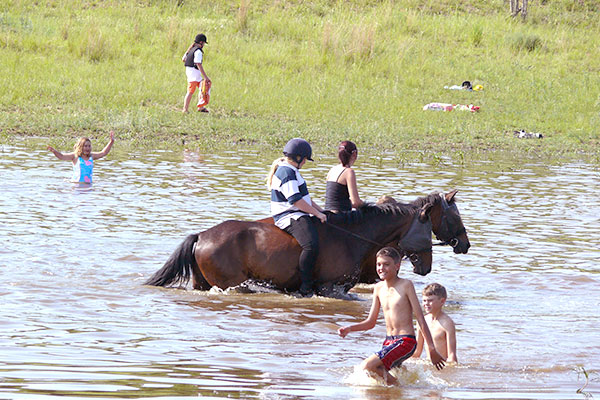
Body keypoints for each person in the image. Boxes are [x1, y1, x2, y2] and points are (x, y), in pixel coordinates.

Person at [338, 247, 445, 385]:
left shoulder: (406, 285)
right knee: (381, 373)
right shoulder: (378, 288)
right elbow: (370, 322)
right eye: (379, 264)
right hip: (389, 341)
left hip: (406, 341)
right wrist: (349, 329)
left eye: (386, 264)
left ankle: (400, 389)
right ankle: (403, 391)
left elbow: (420, 318)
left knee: (368, 366)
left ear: (397, 266)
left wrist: (431, 349)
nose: (381, 268)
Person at [266, 138, 327, 296]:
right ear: (299, 158)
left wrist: (322, 211)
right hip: (289, 215)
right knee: (311, 245)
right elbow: (295, 200)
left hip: (297, 212)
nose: (305, 162)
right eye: (306, 159)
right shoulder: (287, 172)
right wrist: (317, 214)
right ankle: (305, 287)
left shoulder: (292, 171)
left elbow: (305, 198)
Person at [412, 283, 458, 363]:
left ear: (442, 301)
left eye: (430, 301)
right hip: (429, 365)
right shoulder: (422, 321)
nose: (426, 303)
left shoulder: (447, 323)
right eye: (424, 300)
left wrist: (450, 371)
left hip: (442, 365)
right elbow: (417, 352)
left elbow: (451, 355)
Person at [47, 131, 115, 184]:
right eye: (85, 146)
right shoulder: (75, 156)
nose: (87, 148)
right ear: (80, 147)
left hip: (88, 184)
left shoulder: (91, 156)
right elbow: (61, 156)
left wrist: (111, 142)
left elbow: (103, 153)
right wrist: (54, 151)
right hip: (76, 185)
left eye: (89, 146)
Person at [324, 140, 363, 212]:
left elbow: (334, 199)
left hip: (328, 214)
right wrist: (369, 206)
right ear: (354, 154)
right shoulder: (349, 172)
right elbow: (355, 202)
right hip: (340, 216)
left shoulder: (332, 170)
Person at [182, 33, 211, 113]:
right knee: (190, 91)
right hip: (194, 74)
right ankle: (185, 109)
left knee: (202, 88)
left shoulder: (191, 49)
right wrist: (206, 77)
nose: (204, 45)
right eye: (204, 43)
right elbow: (198, 64)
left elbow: (183, 59)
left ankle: (201, 107)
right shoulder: (198, 52)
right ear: (201, 42)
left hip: (190, 72)